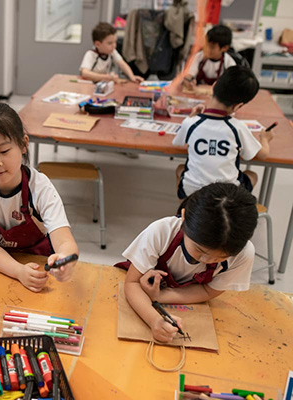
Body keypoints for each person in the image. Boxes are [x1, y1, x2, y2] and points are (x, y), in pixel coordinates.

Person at [0, 102, 79, 292]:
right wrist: (17, 271)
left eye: (4, 151)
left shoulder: (40, 187)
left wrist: (65, 259)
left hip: (33, 261)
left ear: (23, 144)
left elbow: (64, 240)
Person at [117, 182, 258, 343]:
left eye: (220, 258)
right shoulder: (162, 232)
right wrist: (154, 320)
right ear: (184, 217)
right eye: (200, 250)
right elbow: (132, 283)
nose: (206, 260)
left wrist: (160, 296)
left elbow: (208, 291)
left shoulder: (243, 254)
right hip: (140, 294)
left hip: (168, 298)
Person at [174, 65, 274, 199]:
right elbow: (263, 154)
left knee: (180, 169)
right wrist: (265, 139)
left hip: (193, 193)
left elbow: (178, 143)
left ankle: (185, 212)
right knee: (252, 176)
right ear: (238, 106)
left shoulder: (191, 123)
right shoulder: (237, 127)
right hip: (227, 196)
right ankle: (232, 213)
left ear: (214, 86)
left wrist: (192, 116)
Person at [79, 22, 144, 83]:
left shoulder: (112, 52)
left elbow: (122, 64)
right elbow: (84, 73)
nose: (114, 46)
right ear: (97, 44)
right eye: (110, 43)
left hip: (103, 84)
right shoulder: (90, 54)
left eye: (115, 42)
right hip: (89, 85)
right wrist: (106, 77)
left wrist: (132, 77)